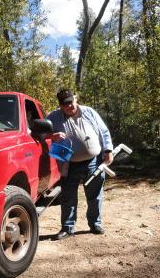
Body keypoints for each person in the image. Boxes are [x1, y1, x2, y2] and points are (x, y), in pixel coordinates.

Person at [47, 88, 113, 240]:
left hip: (93, 162)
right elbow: (39, 133)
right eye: (65, 104)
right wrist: (52, 135)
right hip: (68, 164)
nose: (69, 106)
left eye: (70, 102)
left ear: (75, 99)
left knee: (95, 195)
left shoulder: (89, 112)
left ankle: (95, 223)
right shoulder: (54, 116)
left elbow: (104, 131)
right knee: (68, 197)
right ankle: (67, 228)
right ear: (60, 105)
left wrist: (108, 150)